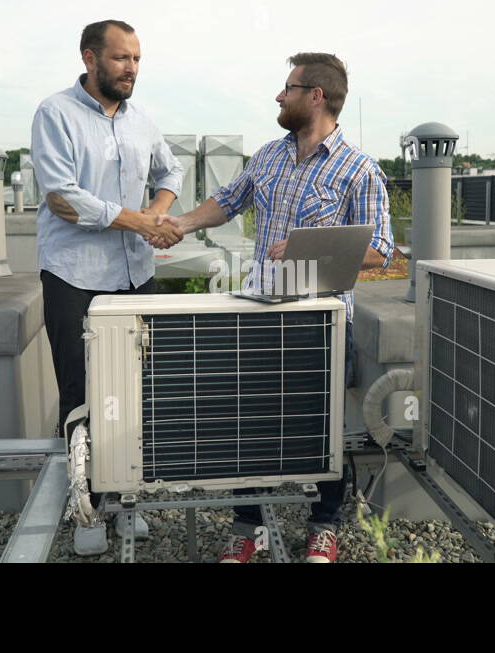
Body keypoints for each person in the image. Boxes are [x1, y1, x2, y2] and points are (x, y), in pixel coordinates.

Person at [151, 52, 394, 563]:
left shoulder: (360, 170)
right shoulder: (268, 155)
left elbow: (381, 252)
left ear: (316, 96)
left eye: (288, 87)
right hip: (259, 315)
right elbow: (227, 201)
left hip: (321, 323)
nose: (278, 96)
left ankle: (323, 525)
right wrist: (178, 225)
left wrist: (314, 248)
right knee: (246, 421)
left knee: (320, 424)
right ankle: (248, 526)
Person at [32, 19, 184, 556]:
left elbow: (171, 173)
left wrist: (157, 212)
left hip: (135, 276)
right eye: (121, 59)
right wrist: (139, 222)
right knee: (81, 395)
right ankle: (87, 509)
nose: (132, 69)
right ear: (90, 58)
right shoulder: (55, 114)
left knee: (138, 393)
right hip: (75, 278)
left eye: (138, 59)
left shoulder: (143, 120)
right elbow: (62, 199)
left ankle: (128, 499)